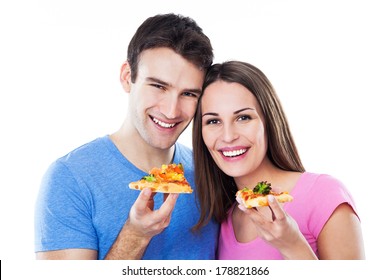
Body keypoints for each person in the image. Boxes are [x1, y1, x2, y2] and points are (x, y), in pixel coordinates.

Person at [34, 13, 219, 260]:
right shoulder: (70, 179)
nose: (171, 110)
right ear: (127, 77)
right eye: (158, 86)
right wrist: (135, 236)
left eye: (188, 94)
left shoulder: (210, 173)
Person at [192, 61, 365, 259]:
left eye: (244, 118)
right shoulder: (223, 221)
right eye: (213, 121)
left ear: (268, 121)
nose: (228, 136)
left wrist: (292, 245)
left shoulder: (324, 195)